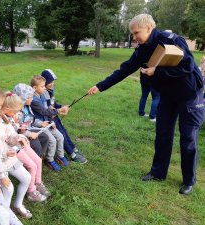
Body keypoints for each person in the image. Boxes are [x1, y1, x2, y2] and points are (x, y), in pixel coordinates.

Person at [87, 14, 204, 195]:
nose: (134, 37)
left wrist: (157, 71)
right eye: (132, 34)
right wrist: (100, 86)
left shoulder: (171, 40)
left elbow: (187, 67)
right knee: (163, 135)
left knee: (188, 138)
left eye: (136, 33)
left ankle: (189, 180)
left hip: (189, 94)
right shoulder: (142, 49)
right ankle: (158, 173)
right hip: (167, 95)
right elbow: (124, 70)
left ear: (149, 28)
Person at [0, 84, 44, 219]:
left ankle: (17, 205)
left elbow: (10, 135)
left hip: (10, 158)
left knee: (27, 178)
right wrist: (5, 153)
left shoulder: (3, 119)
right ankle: (6, 213)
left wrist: (19, 138)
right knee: (8, 189)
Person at [0, 92, 50, 200]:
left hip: (20, 143)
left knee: (38, 161)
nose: (17, 113)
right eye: (16, 111)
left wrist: (20, 128)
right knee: (32, 166)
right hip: (13, 148)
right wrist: (19, 133)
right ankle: (31, 191)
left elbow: (15, 130)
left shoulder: (10, 117)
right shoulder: (2, 121)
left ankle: (38, 183)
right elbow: (7, 139)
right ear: (7, 109)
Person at [41, 69, 88, 163]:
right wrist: (59, 111)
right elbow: (47, 109)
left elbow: (53, 104)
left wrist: (62, 106)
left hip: (55, 116)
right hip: (49, 119)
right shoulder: (43, 93)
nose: (52, 83)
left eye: (53, 81)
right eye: (50, 82)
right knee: (61, 134)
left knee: (64, 131)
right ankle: (72, 154)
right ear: (44, 82)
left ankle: (73, 148)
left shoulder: (50, 90)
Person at [30, 75, 69, 171]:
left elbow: (47, 108)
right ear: (35, 88)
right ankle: (50, 159)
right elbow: (44, 112)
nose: (44, 88)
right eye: (42, 86)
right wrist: (59, 111)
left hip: (48, 122)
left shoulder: (42, 95)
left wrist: (52, 121)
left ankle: (60, 155)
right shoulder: (34, 100)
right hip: (40, 125)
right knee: (52, 140)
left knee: (60, 136)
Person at [12, 83, 49, 158]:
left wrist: (40, 123)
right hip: (23, 134)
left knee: (45, 138)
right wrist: (29, 134)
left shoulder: (27, 107)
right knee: (36, 145)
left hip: (30, 129)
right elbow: (18, 129)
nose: (32, 99)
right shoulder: (17, 112)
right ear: (23, 98)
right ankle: (34, 160)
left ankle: (40, 157)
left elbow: (31, 120)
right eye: (30, 97)